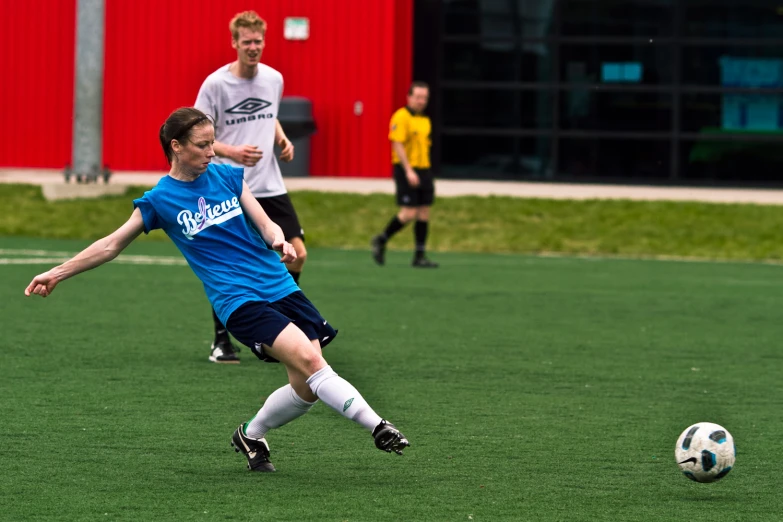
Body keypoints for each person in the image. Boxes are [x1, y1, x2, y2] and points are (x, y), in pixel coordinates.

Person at [24, 107, 410, 472]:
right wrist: (57, 272)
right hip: (239, 302)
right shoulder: (160, 200)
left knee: (306, 388)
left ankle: (251, 434)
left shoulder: (226, 176)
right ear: (177, 146)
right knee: (313, 365)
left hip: (280, 287)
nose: (212, 151)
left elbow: (265, 222)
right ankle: (379, 427)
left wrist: (279, 241)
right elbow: (110, 245)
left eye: (213, 142)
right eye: (203, 144)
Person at [194, 10, 305, 363]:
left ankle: (281, 332)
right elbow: (199, 134)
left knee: (298, 253)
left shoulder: (274, 79)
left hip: (270, 183)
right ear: (235, 43)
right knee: (231, 266)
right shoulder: (216, 84)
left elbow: (268, 115)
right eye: (247, 42)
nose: (253, 47)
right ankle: (221, 340)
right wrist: (231, 150)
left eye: (258, 41)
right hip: (231, 185)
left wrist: (283, 139)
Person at [371, 81, 438, 268]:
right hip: (406, 169)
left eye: (424, 97)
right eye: (417, 97)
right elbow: (397, 144)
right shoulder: (401, 117)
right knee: (409, 213)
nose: (421, 101)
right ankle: (382, 239)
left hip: (424, 169)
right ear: (409, 97)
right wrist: (408, 170)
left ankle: (419, 255)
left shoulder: (425, 119)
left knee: (424, 211)